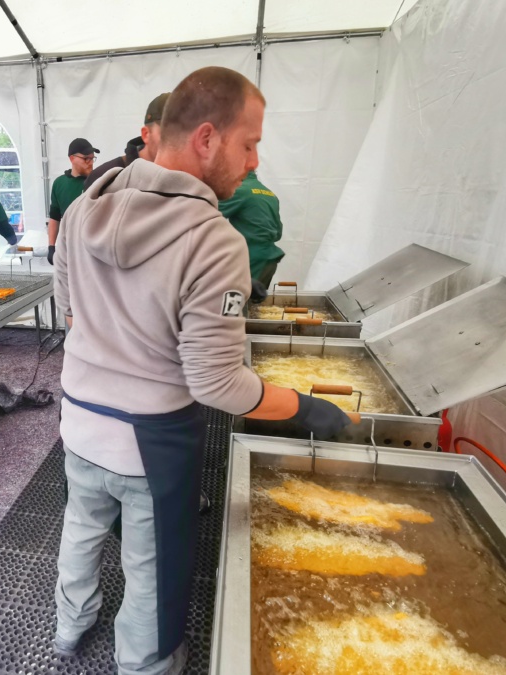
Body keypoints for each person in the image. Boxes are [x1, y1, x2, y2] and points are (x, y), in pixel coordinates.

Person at [53, 67, 350, 674]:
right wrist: (307, 408)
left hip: (78, 418)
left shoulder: (85, 208)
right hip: (151, 443)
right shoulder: (214, 241)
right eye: (250, 143)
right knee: (154, 565)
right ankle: (147, 663)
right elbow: (216, 382)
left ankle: (69, 625)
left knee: (80, 528)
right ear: (208, 139)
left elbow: (70, 312)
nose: (254, 160)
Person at [218, 170, 285, 295]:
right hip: (268, 260)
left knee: (238, 305)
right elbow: (278, 232)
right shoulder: (270, 194)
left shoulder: (240, 190)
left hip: (251, 259)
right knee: (254, 307)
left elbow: (205, 214)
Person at [83, 93, 169, 190]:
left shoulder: (184, 177)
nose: (177, 144)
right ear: (146, 134)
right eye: (168, 134)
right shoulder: (103, 179)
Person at [46, 138, 98, 265]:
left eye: (92, 158)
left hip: (95, 250)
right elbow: (54, 218)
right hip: (70, 250)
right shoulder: (59, 183)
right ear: (72, 158)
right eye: (86, 158)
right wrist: (51, 247)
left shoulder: (98, 181)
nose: (90, 162)